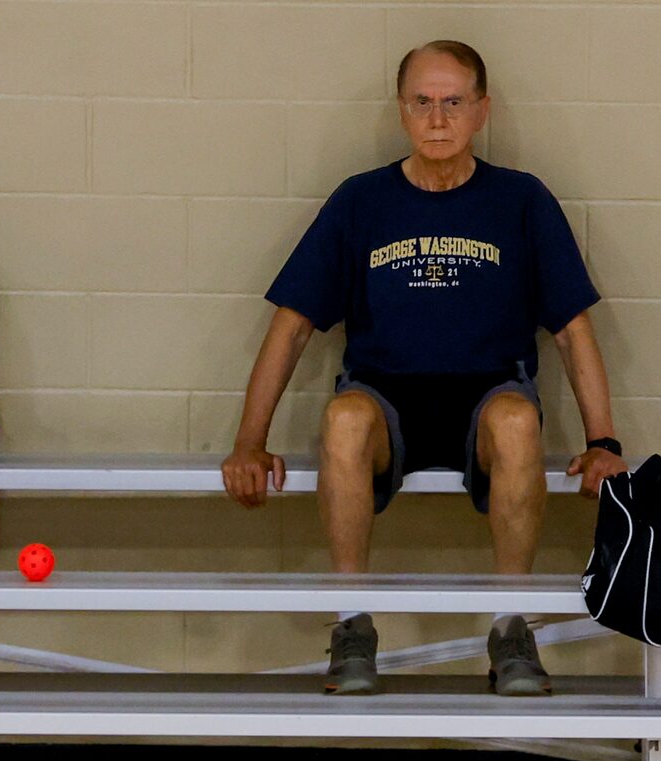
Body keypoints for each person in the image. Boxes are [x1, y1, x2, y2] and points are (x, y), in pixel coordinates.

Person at [219, 39, 625, 698]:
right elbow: (291, 326)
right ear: (402, 111)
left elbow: (575, 331)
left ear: (481, 111)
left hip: (489, 393)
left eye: (453, 103)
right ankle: (352, 625)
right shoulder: (360, 201)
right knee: (342, 420)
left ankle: (511, 627)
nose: (438, 119)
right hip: (384, 396)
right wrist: (247, 442)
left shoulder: (520, 201)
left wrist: (603, 442)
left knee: (520, 422)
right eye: (423, 103)